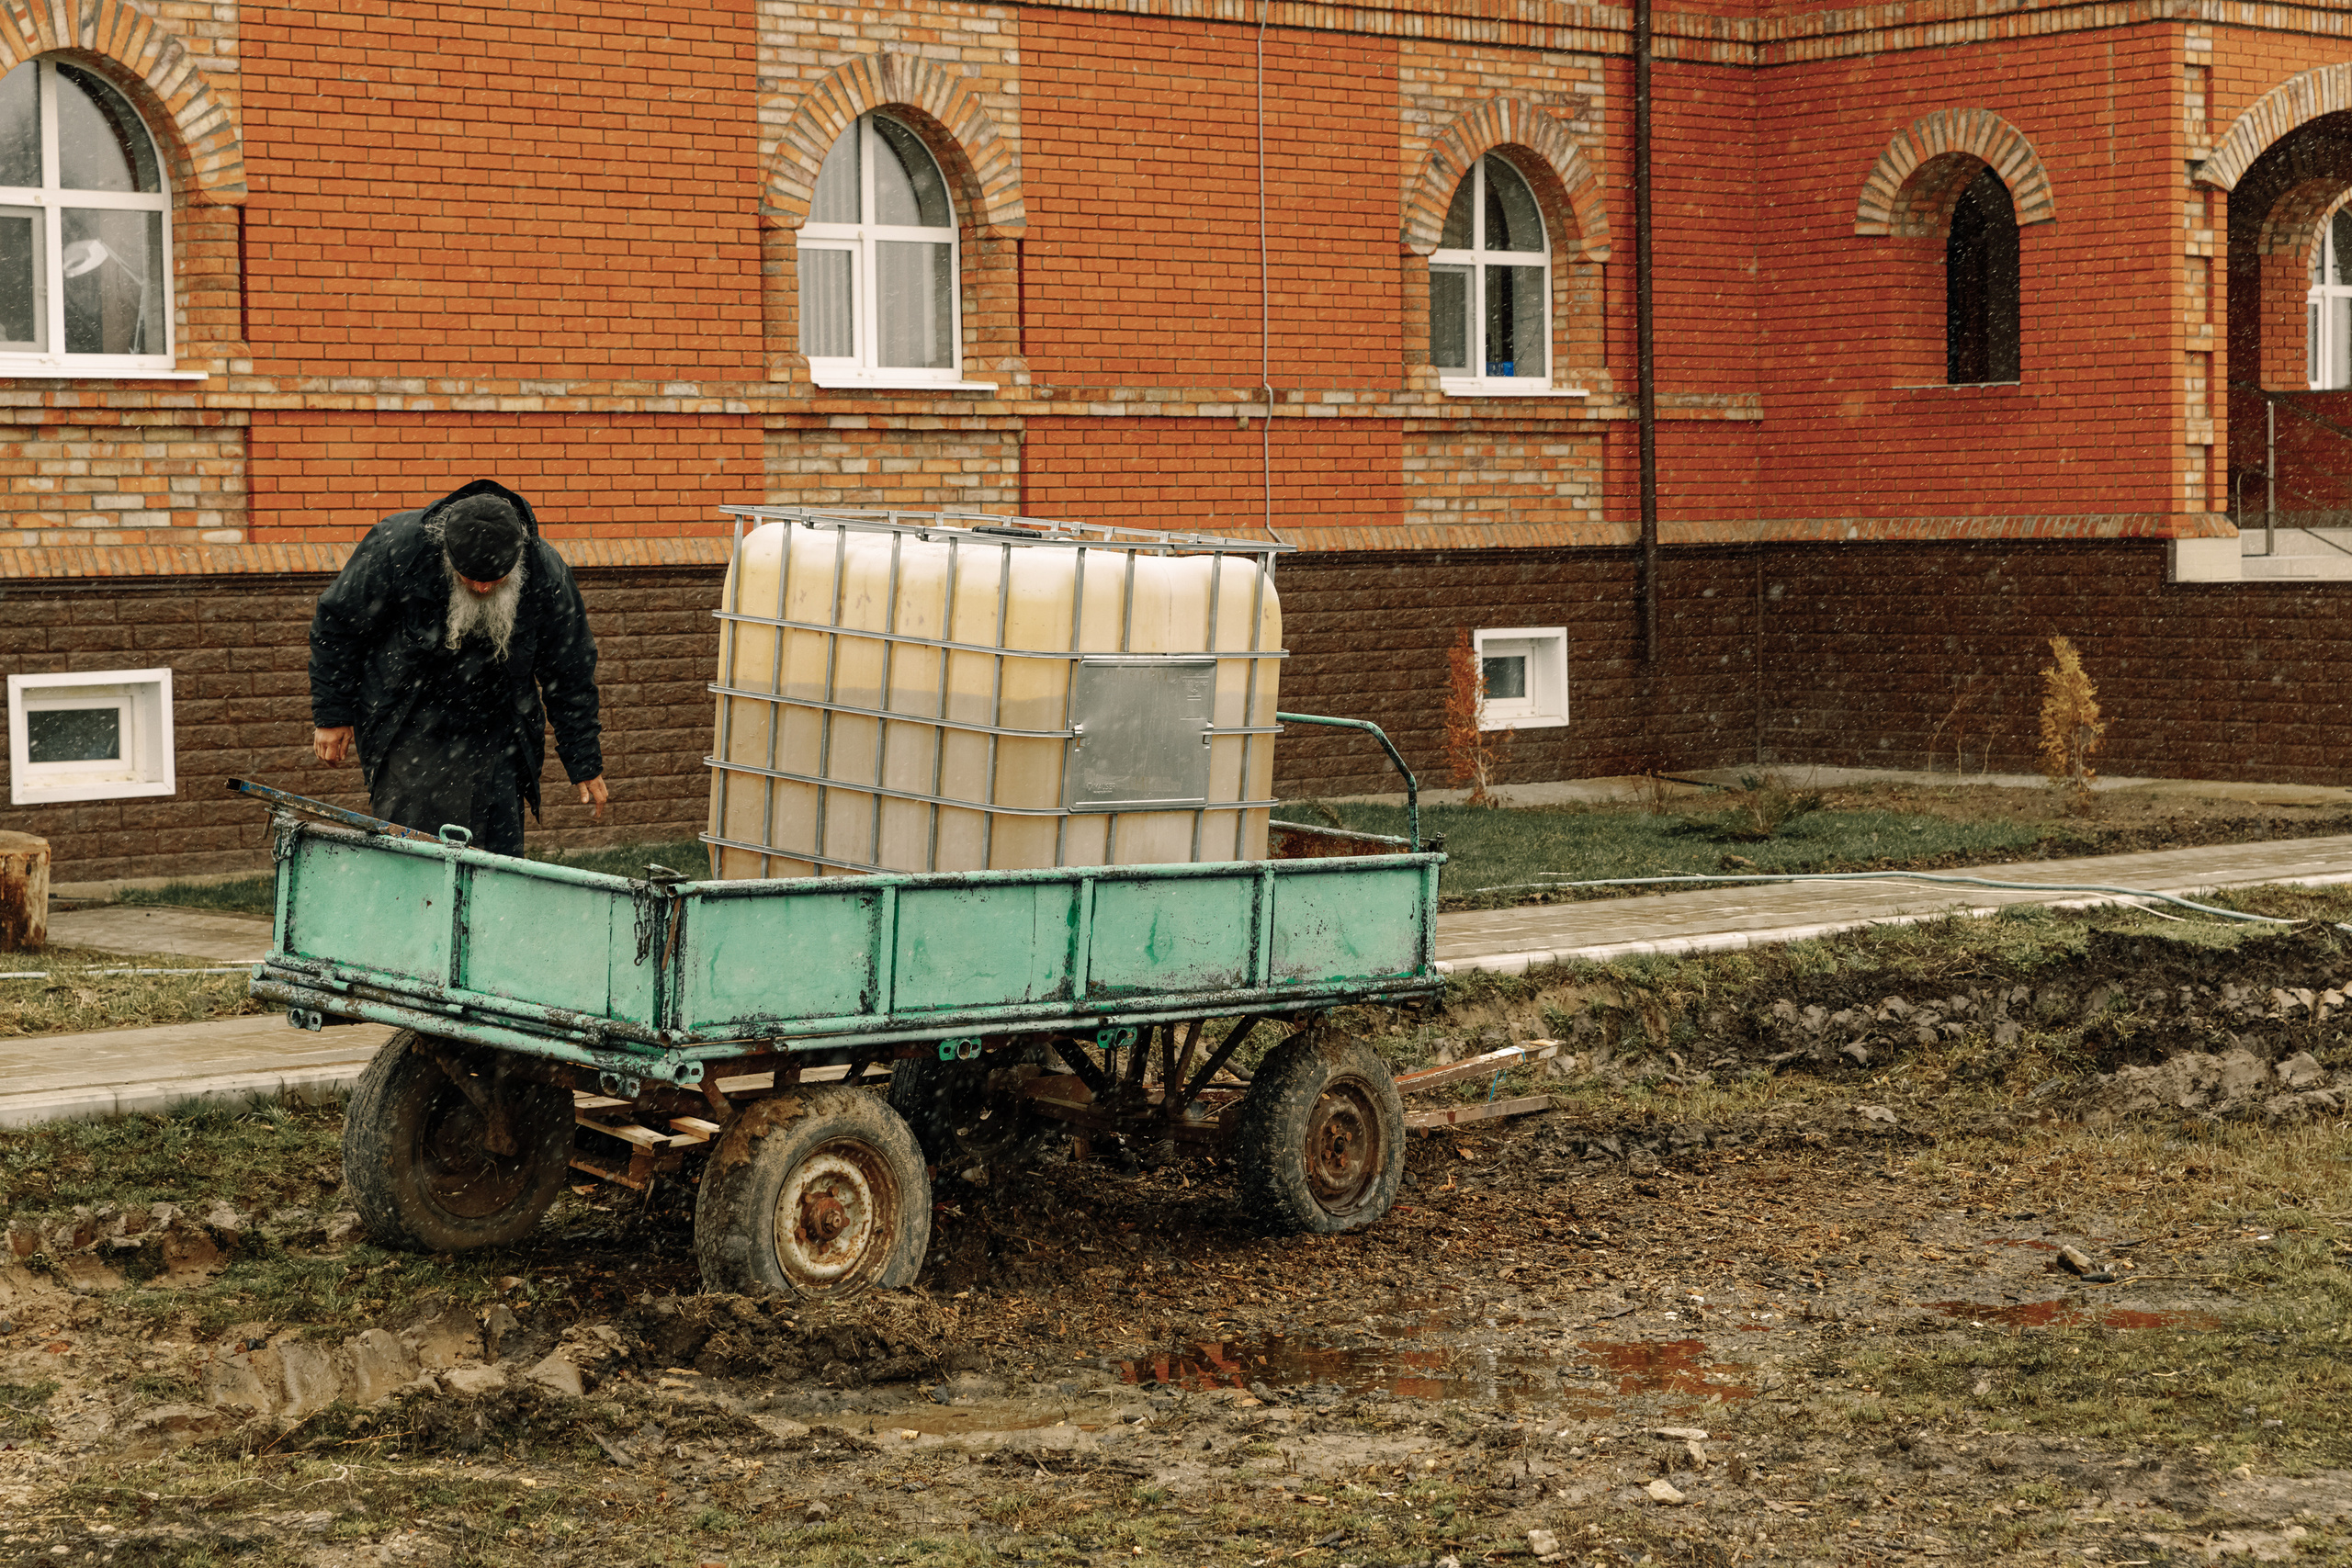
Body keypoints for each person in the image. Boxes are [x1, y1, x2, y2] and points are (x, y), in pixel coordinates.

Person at [309, 479, 607, 854]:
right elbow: (338, 626)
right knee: (419, 861)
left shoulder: (545, 572)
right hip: (410, 723)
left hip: (501, 730)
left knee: (497, 864)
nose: (482, 590)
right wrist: (332, 715)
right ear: (447, 552)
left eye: (494, 581)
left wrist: (585, 761)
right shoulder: (396, 547)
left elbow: (570, 670)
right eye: (471, 579)